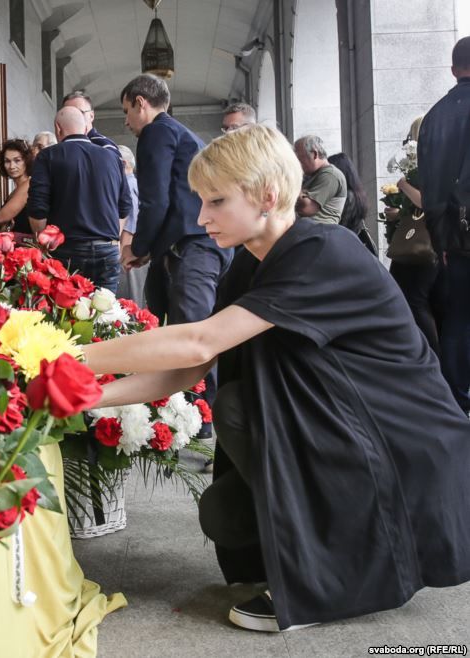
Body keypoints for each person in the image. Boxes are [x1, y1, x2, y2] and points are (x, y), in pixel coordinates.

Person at [82, 124, 470, 633]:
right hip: (345, 428)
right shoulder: (250, 263)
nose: (201, 217)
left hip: (402, 447)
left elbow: (197, 341)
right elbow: (190, 367)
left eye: (216, 200)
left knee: (238, 409)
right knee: (225, 517)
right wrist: (87, 396)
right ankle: (313, 547)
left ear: (267, 196)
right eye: (200, 201)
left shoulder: (322, 250)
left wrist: (64, 357)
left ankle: (337, 578)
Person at [120, 73, 232, 437]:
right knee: (163, 324)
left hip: (194, 247)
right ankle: (177, 409)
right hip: (187, 245)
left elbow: (156, 200)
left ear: (141, 103)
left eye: (126, 112)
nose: (126, 123)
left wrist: (137, 248)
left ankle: (205, 419)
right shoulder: (180, 134)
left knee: (192, 334)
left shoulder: (157, 131)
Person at [418, 36, 470, 414]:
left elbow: (430, 185)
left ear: (454, 70)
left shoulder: (434, 117)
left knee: (456, 320)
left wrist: (442, 242)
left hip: (453, 239)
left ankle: (457, 402)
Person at [28, 107, 131, 293]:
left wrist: (43, 244)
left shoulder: (48, 156)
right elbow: (125, 206)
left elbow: (37, 207)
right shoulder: (112, 157)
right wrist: (110, 238)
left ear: (58, 129)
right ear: (85, 129)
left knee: (65, 316)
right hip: (106, 250)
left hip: (65, 250)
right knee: (105, 315)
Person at [382, 117, 442, 355]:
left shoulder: (434, 163)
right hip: (418, 241)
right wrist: (396, 213)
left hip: (427, 244)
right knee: (407, 298)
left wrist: (403, 185)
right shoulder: (422, 164)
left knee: (416, 300)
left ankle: (430, 356)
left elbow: (426, 202)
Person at [328, 152, 376, 255]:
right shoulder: (358, 194)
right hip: (351, 247)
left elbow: (340, 227)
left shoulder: (348, 197)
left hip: (343, 249)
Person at [116, 144, 146, 305]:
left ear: (122, 164)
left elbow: (131, 222)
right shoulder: (135, 184)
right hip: (134, 252)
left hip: (128, 252)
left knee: (130, 305)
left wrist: (122, 253)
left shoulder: (127, 186)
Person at [293, 135, 346, 224]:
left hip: (318, 233)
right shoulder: (313, 176)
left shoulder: (330, 175)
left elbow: (307, 209)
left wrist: (290, 182)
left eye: (299, 158)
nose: (296, 163)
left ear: (314, 154)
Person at [0, 138, 34, 240]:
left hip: (28, 249)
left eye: (17, 160)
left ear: (26, 161)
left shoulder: (29, 184)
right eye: (7, 161)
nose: (11, 166)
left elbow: (0, 219)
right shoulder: (15, 190)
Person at [62, 91, 121, 157]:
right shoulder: (59, 148)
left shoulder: (105, 147)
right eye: (69, 114)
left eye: (80, 112)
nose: (74, 118)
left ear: (91, 116)